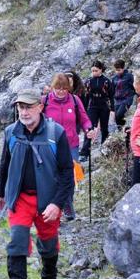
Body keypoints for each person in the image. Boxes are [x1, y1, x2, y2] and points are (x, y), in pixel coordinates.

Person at [0, 88, 74, 279]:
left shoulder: (55, 133)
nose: (24, 111)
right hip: (20, 198)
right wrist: (2, 194)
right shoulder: (11, 132)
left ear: (40, 107)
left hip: (48, 200)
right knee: (17, 241)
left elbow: (67, 173)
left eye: (29, 106)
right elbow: (5, 165)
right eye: (21, 107)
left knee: (48, 242)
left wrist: (57, 204)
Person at [42, 73, 96, 221]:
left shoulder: (74, 100)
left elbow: (84, 119)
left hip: (71, 144)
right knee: (53, 177)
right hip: (50, 145)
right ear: (53, 87)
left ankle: (67, 204)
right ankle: (56, 207)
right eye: (58, 88)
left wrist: (89, 129)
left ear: (69, 88)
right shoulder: (45, 101)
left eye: (64, 88)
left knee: (70, 177)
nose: (60, 91)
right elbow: (37, 120)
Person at [79, 60, 114, 161]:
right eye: (92, 71)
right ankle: (85, 152)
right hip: (92, 106)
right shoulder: (89, 81)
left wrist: (113, 109)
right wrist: (84, 110)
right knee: (89, 128)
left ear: (101, 70)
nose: (94, 72)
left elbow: (111, 96)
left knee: (104, 128)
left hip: (104, 106)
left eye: (96, 70)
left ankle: (104, 148)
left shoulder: (107, 81)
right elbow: (85, 96)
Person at [112, 60, 135, 129]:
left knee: (119, 115)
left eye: (119, 70)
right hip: (117, 100)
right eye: (116, 70)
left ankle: (125, 130)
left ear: (123, 68)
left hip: (127, 99)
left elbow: (134, 86)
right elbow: (112, 89)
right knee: (116, 117)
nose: (117, 72)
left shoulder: (129, 76)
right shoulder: (114, 78)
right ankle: (122, 131)